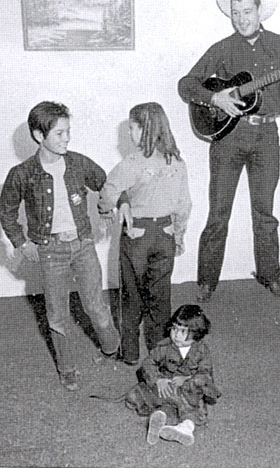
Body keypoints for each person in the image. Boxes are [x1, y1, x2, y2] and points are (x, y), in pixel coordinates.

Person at [178, 0, 280, 302]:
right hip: (229, 138)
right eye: (236, 12)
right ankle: (207, 280)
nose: (241, 19)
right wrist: (215, 99)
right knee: (219, 211)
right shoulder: (222, 48)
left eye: (247, 12)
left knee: (264, 211)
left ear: (260, 12)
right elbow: (187, 84)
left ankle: (270, 275)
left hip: (267, 135)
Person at [0, 101, 120, 391]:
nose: (67, 138)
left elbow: (107, 184)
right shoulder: (22, 173)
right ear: (40, 136)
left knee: (96, 306)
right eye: (59, 133)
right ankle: (66, 368)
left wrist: (106, 212)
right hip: (50, 251)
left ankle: (112, 349)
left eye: (68, 132)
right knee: (57, 315)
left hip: (83, 245)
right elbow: (6, 211)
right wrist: (20, 242)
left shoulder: (78, 163)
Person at [98, 102, 192, 365]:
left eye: (132, 127)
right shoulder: (177, 161)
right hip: (165, 233)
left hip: (136, 235)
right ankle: (159, 352)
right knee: (160, 297)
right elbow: (185, 205)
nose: (130, 133)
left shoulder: (134, 161)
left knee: (131, 296)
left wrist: (105, 211)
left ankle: (129, 352)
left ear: (143, 129)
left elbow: (109, 189)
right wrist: (179, 235)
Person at [124, 305, 221, 446]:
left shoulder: (202, 351)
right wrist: (158, 380)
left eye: (182, 331)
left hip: (188, 390)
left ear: (197, 333)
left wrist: (188, 379)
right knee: (157, 400)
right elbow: (148, 363)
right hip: (168, 386)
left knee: (191, 407)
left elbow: (206, 374)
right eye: (174, 328)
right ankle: (160, 418)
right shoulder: (165, 347)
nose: (175, 334)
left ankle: (185, 428)